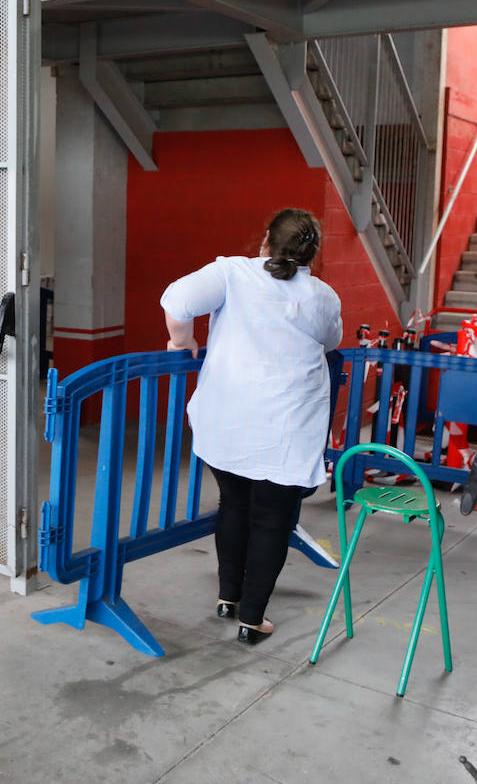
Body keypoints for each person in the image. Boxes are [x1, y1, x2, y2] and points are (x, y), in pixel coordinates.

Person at [160, 208, 341, 644]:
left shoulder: (233, 273)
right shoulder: (321, 296)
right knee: (272, 520)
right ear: (312, 253)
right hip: (288, 426)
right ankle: (251, 619)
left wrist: (180, 343)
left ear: (265, 239)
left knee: (234, 505)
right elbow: (332, 341)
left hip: (229, 419)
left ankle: (228, 597)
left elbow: (177, 300)